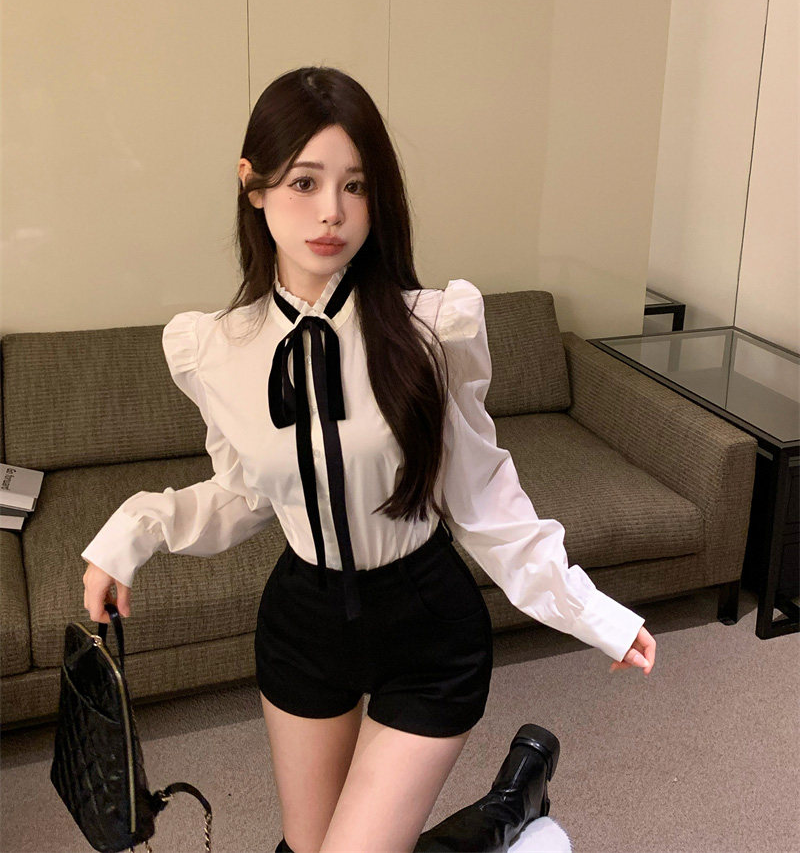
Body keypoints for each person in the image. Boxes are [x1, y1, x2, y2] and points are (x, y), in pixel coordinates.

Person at [82, 66, 656, 853]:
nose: (332, 211)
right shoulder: (216, 350)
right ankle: (511, 807)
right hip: (302, 626)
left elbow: (485, 501)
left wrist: (592, 613)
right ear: (252, 184)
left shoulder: (431, 330)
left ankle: (510, 814)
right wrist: (133, 531)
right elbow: (247, 495)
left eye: (355, 186)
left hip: (425, 627)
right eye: (305, 182)